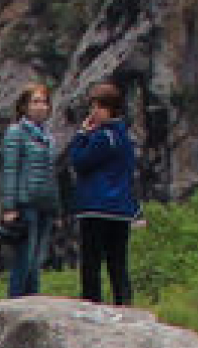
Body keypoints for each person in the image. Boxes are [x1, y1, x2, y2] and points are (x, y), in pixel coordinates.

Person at [59, 83, 142, 306]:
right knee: (118, 261)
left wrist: (81, 135)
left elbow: (80, 162)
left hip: (96, 206)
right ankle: (124, 302)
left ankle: (91, 303)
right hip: (121, 209)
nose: (92, 113)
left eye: (97, 107)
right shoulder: (125, 136)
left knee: (92, 261)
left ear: (108, 109)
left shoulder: (102, 136)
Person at [0, 84, 59, 299]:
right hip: (25, 202)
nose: (41, 106)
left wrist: (55, 207)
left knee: (37, 261)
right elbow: (10, 170)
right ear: (24, 106)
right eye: (35, 102)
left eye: (44, 102)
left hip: (44, 204)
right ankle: (17, 302)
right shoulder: (16, 132)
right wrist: (10, 207)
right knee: (24, 258)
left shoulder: (48, 137)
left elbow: (51, 174)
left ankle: (33, 301)